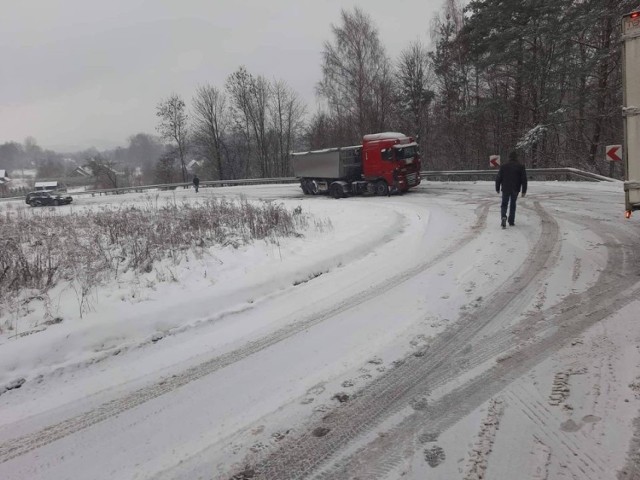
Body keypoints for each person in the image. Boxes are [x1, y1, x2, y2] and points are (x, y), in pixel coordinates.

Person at [495, 151, 527, 228]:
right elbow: (524, 179)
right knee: (513, 204)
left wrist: (497, 187)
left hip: (505, 188)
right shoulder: (521, 166)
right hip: (515, 188)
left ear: (509, 157)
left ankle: (503, 217)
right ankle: (511, 221)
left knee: (504, 204)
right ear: (516, 157)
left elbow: (498, 177)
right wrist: (524, 191)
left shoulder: (504, 166)